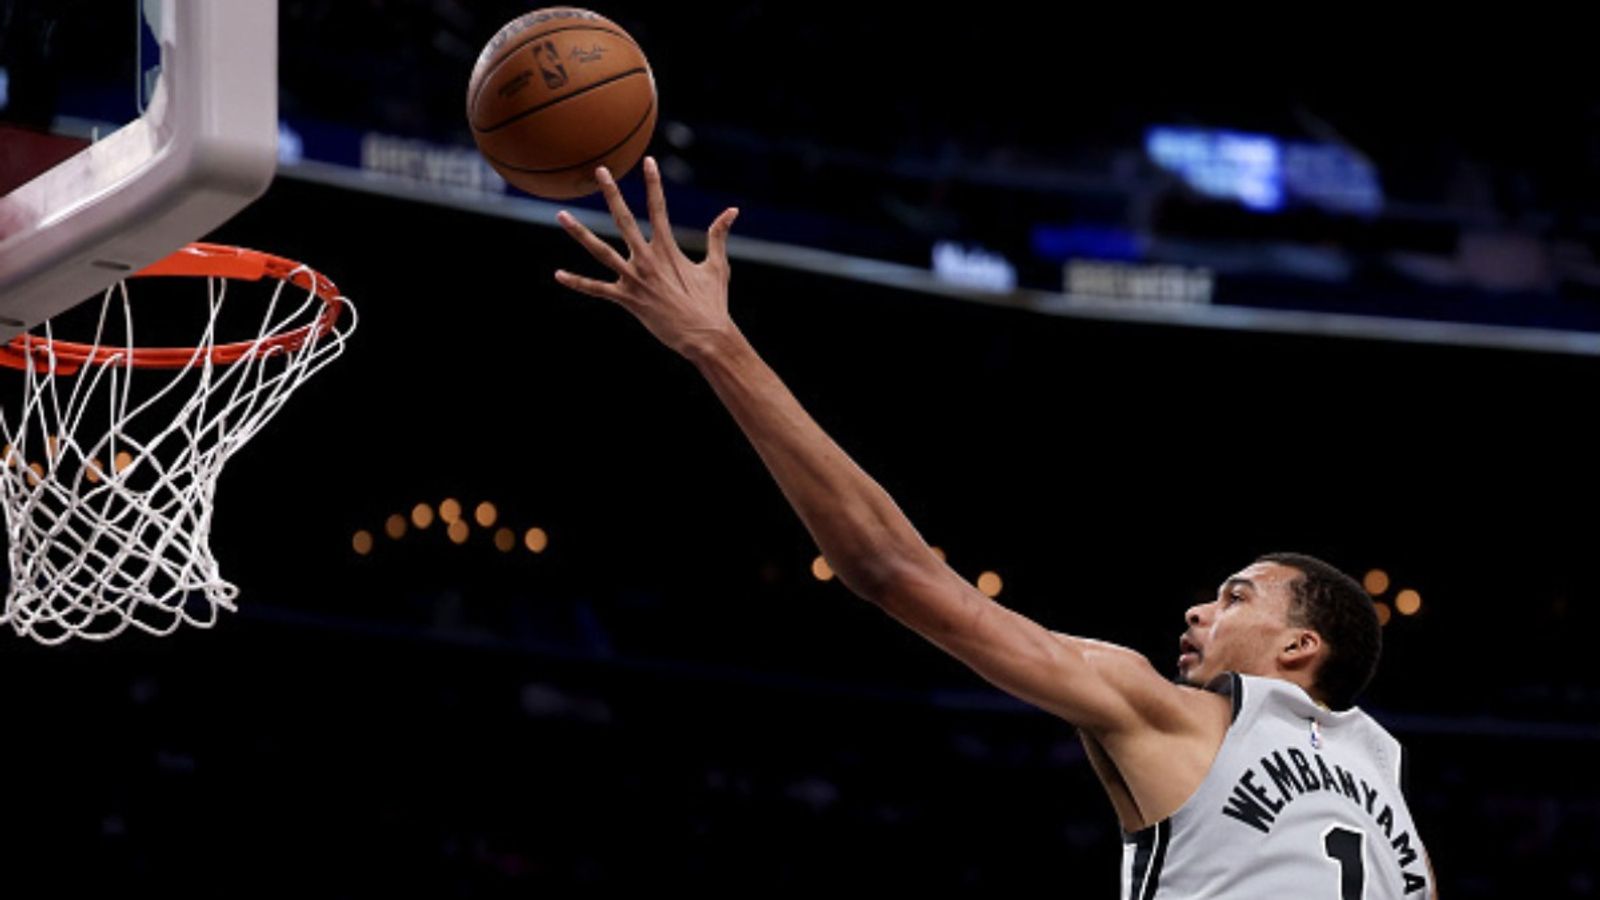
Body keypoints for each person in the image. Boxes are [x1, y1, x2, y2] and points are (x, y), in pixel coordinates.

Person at [552, 158, 1437, 899]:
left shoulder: (1167, 713)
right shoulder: (1396, 811)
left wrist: (718, 345)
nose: (1199, 613)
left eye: (1236, 596)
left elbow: (892, 570)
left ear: (1298, 648)